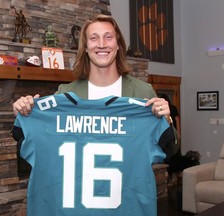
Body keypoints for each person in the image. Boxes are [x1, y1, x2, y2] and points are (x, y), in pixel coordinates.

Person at [12, 14, 175, 216]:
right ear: (86, 48)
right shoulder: (64, 94)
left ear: (118, 45)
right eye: (94, 38)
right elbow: (35, 139)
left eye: (108, 37)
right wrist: (25, 112)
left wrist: (166, 119)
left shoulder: (143, 93)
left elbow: (170, 149)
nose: (101, 44)